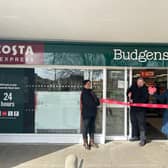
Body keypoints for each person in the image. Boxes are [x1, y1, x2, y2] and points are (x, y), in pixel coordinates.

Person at [127, 77, 149, 146]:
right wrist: (128, 93)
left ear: (143, 83)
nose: (139, 84)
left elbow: (145, 99)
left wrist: (134, 101)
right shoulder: (133, 86)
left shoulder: (145, 89)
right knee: (134, 122)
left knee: (141, 124)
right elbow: (129, 90)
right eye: (138, 82)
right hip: (133, 109)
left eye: (141, 82)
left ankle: (143, 139)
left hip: (141, 110)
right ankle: (135, 136)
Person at [80, 80, 100, 150]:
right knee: (85, 128)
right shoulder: (83, 93)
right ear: (84, 85)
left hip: (93, 113)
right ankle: (85, 142)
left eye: (90, 83)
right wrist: (95, 103)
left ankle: (91, 142)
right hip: (86, 113)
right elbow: (88, 103)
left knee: (92, 128)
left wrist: (96, 101)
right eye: (88, 84)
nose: (89, 85)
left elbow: (97, 102)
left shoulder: (91, 92)